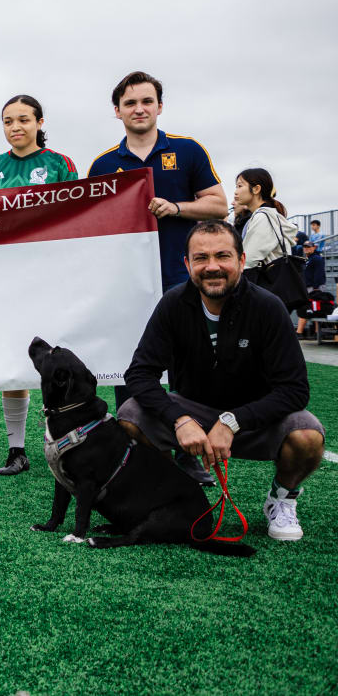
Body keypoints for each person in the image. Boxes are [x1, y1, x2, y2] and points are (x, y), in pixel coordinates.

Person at [119, 220, 325, 541]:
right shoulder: (173, 304)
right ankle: (166, 494)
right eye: (201, 258)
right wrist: (179, 419)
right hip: (192, 412)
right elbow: (139, 374)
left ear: (241, 261)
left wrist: (232, 421)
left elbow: (295, 390)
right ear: (187, 264)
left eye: (223, 256)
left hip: (253, 417)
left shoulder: (268, 308)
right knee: (131, 416)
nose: (212, 266)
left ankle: (282, 499)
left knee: (308, 435)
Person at [87, 70, 227, 483]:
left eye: (146, 101)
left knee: (184, 368)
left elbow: (219, 204)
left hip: (180, 280)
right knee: (129, 364)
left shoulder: (186, 150)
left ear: (160, 106)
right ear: (117, 111)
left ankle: (187, 450)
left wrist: (177, 208)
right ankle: (132, 448)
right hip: (127, 284)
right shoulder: (104, 163)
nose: (139, 109)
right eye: (130, 103)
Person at [0, 94, 78, 476]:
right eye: (7, 121)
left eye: (22, 120)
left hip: (50, 274)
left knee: (57, 361)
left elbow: (75, 215)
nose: (15, 127)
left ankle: (64, 442)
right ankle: (16, 450)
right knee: (15, 362)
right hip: (6, 275)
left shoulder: (59, 164)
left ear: (39, 122)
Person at [235, 168, 298, 271]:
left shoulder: (263, 218)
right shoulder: (264, 215)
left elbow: (248, 261)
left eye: (240, 186)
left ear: (256, 189)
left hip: (266, 284)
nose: (235, 192)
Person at [298, 240, 328, 336]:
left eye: (308, 246)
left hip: (315, 288)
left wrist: (316, 289)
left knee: (312, 308)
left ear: (314, 247)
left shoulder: (317, 258)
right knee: (314, 309)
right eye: (305, 246)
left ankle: (300, 332)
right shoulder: (307, 259)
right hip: (309, 287)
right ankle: (316, 332)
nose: (306, 248)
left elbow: (319, 274)